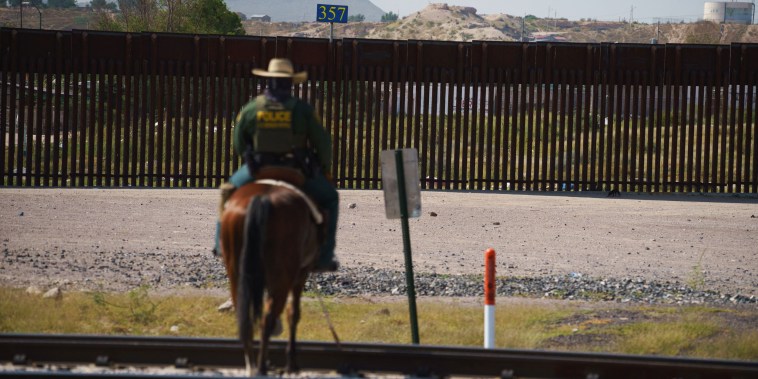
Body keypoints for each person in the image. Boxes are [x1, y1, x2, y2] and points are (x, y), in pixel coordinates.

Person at [215, 58, 339, 273]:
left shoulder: (252, 108)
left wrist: (250, 156)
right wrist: (323, 167)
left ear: (268, 81)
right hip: (295, 170)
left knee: (227, 193)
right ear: (290, 83)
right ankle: (324, 257)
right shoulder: (302, 110)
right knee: (331, 198)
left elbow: (238, 142)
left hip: (258, 170)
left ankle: (221, 246)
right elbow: (323, 143)